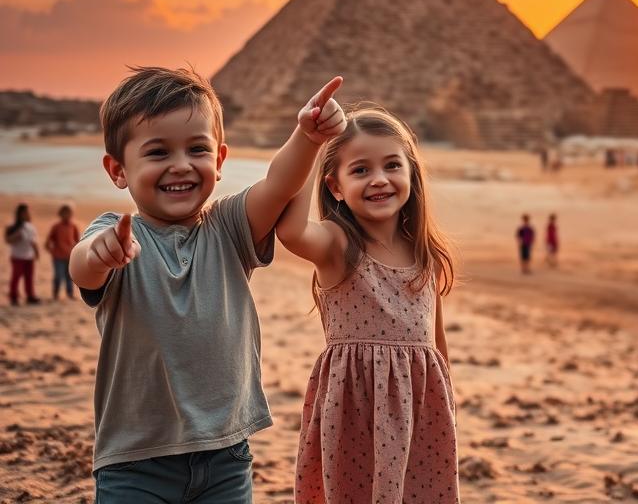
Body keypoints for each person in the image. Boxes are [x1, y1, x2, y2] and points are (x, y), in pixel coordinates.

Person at [68, 66, 346, 503]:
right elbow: (82, 267)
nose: (181, 165)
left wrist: (309, 138)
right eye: (158, 153)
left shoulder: (230, 229)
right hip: (135, 461)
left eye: (197, 149)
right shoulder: (115, 232)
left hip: (226, 456)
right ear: (118, 169)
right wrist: (101, 253)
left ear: (218, 161)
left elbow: (279, 184)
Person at [276, 107, 458, 503]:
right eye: (360, 170)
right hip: (354, 413)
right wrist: (313, 144)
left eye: (392, 165)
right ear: (335, 186)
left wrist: (447, 412)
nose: (379, 180)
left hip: (418, 416)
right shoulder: (338, 246)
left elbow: (437, 348)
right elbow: (289, 231)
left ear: (411, 173)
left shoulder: (423, 253)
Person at [6, 203, 40, 305]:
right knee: (16, 277)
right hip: (17, 256)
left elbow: (33, 242)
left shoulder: (30, 227)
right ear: (19, 214)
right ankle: (13, 296)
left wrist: (36, 252)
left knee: (29, 277)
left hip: (29, 256)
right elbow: (8, 240)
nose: (27, 214)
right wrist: (17, 235)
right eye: (25, 212)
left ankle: (30, 296)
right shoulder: (13, 227)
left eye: (28, 212)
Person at [45, 203, 81, 300]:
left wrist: (77, 253)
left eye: (69, 213)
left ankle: (70, 294)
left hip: (70, 256)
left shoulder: (73, 226)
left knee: (69, 276)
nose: (67, 215)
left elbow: (78, 241)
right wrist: (50, 250)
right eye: (65, 213)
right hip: (58, 257)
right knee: (58, 275)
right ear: (60, 214)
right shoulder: (56, 226)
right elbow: (48, 240)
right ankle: (55, 294)